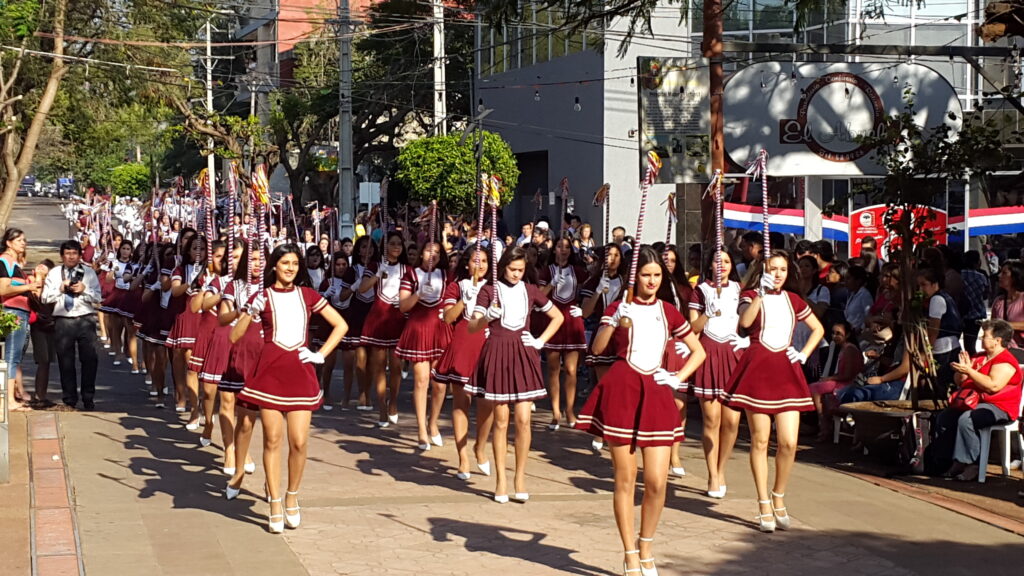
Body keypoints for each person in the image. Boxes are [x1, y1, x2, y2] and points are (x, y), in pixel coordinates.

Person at [576, 246, 706, 576]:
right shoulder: (621, 306)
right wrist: (614, 323)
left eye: (657, 275)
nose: (651, 280)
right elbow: (597, 348)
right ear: (636, 277)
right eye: (646, 275)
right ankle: (630, 552)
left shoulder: (668, 311)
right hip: (622, 390)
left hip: (657, 393)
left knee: (657, 483)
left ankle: (646, 545)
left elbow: (698, 352)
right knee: (625, 479)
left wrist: (677, 377)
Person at [232, 244, 348, 533]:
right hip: (270, 374)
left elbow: (341, 325)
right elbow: (234, 335)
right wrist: (249, 310)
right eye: (285, 262)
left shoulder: (307, 295)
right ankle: (273, 500)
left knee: (299, 441)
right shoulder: (263, 296)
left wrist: (320, 354)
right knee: (272, 439)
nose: (290, 268)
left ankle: (292, 495)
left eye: (295, 263)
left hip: (300, 373)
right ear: (274, 265)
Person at [721, 249, 825, 533]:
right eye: (772, 269)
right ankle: (763, 501)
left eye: (782, 269)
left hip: (786, 371)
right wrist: (761, 294)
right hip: (758, 370)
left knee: (790, 442)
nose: (777, 274)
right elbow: (743, 323)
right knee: (760, 440)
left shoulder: (794, 299)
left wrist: (803, 354)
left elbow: (818, 329)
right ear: (763, 270)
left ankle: (779, 494)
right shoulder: (751, 295)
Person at [465, 246, 563, 503]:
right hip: (497, 352)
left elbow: (557, 317)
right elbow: (472, 327)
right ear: (503, 266)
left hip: (523, 354)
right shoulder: (489, 290)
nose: (516, 274)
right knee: (500, 420)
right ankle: (501, 480)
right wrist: (486, 317)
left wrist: (540, 341)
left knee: (523, 419)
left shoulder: (530, 291)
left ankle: (520, 476)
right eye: (512, 269)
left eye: (521, 270)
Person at [930, 319, 1023, 481]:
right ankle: (946, 460)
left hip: (999, 407)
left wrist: (970, 372)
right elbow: (960, 382)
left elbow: (993, 386)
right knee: (945, 417)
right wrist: (962, 372)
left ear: (997, 340)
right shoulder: (980, 357)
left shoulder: (1005, 361)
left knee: (968, 419)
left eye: (985, 336)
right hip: (973, 402)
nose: (981, 339)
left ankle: (971, 464)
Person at [686, 251, 745, 498]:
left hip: (734, 353)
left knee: (731, 421)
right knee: (712, 419)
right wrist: (708, 312)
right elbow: (692, 328)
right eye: (717, 261)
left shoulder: (740, 289)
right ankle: (712, 473)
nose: (722, 266)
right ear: (709, 264)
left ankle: (721, 469)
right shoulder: (701, 290)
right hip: (709, 351)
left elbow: (749, 321)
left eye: (727, 261)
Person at [434, 248, 493, 479]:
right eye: (475, 261)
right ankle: (463, 458)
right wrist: (463, 300)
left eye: (485, 261)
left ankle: (480, 446)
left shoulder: (495, 287)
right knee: (461, 403)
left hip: (488, 343)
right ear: (467, 264)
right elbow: (448, 318)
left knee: (487, 403)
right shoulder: (456, 286)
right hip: (463, 343)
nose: (480, 266)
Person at [396, 241, 452, 450]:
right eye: (428, 250)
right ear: (421, 253)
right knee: (421, 381)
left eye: (437, 252)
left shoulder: (447, 275)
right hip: (419, 330)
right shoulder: (411, 274)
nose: (432, 254)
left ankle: (433, 422)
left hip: (440, 330)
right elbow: (403, 306)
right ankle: (421, 429)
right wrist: (419, 293)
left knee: (439, 383)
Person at [42, 240, 103, 410]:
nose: (71, 257)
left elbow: (98, 298)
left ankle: (88, 397)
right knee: (65, 361)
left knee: (90, 359)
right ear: (62, 256)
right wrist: (60, 289)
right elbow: (45, 298)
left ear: (79, 255)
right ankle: (69, 398)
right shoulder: (54, 273)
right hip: (63, 319)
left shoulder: (89, 273)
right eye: (67, 253)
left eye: (74, 253)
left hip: (85, 318)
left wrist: (84, 289)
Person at [538, 236, 587, 430]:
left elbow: (591, 288)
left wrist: (583, 307)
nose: (564, 250)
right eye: (560, 246)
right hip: (553, 321)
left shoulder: (578, 272)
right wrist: (551, 284)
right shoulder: (546, 270)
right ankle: (555, 411)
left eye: (567, 247)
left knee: (572, 370)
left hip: (572, 321)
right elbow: (539, 297)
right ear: (554, 249)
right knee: (553, 369)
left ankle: (570, 410)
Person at [360, 231, 409, 427]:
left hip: (398, 316)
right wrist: (378, 275)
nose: (396, 247)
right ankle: (381, 405)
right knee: (378, 366)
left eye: (399, 244)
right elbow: (362, 288)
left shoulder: (407, 269)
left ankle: (394, 402)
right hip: (379, 316)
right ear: (385, 246)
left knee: (396, 366)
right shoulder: (374, 266)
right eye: (392, 243)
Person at [0, 228, 38, 411]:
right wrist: (29, 286)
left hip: (20, 311)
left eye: (24, 240)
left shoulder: (15, 263)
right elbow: (3, 289)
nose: (23, 243)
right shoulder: (5, 262)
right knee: (11, 357)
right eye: (19, 240)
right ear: (9, 242)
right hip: (12, 311)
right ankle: (9, 401)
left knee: (14, 357)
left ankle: (10, 397)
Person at [808, 320, 863, 441]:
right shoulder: (843, 349)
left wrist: (830, 378)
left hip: (848, 384)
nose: (834, 336)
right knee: (816, 387)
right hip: (842, 381)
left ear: (847, 335)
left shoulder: (850, 350)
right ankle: (823, 424)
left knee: (815, 388)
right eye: (833, 333)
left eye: (838, 333)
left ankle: (824, 425)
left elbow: (848, 375)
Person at [917, 267, 962, 397]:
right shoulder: (944, 296)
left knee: (940, 384)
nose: (921, 290)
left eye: (924, 285)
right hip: (949, 346)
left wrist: (926, 352)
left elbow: (934, 330)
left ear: (935, 284)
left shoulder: (936, 300)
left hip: (943, 349)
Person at [28, 260, 57, 407]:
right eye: (39, 265)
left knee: (46, 361)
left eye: (44, 267)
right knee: (42, 360)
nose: (40, 267)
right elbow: (35, 297)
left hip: (51, 324)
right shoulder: (31, 281)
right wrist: (38, 278)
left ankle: (41, 395)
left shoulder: (53, 285)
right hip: (37, 324)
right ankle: (39, 395)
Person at [991, 260, 1024, 362]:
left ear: (1015, 276)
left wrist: (1006, 325)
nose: (999, 276)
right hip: (1003, 353)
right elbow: (992, 326)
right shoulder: (998, 301)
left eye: (1004, 273)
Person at [961, 250, 990, 356]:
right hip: (975, 316)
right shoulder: (982, 277)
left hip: (960, 314)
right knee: (970, 345)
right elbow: (986, 295)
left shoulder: (959, 274)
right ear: (978, 262)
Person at [843, 265, 873, 334]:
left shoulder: (865, 295)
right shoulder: (851, 294)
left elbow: (869, 315)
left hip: (860, 334)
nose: (845, 281)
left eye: (848, 278)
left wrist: (861, 329)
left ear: (858, 281)